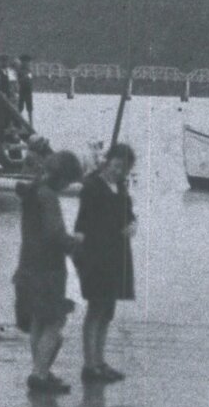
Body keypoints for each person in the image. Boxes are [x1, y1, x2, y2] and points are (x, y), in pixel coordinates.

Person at [14, 150, 85, 394]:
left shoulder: (32, 193)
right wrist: (76, 242)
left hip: (27, 265)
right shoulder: (48, 197)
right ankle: (40, 374)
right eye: (68, 181)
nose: (67, 186)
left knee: (37, 322)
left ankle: (40, 369)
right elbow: (55, 235)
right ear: (61, 178)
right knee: (54, 324)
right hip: (48, 270)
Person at [74, 144, 137, 384]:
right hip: (96, 255)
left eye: (124, 167)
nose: (119, 170)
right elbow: (82, 224)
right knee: (95, 309)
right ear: (108, 161)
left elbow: (128, 213)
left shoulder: (120, 186)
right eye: (117, 165)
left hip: (117, 254)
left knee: (107, 311)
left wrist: (133, 224)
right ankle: (89, 365)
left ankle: (99, 361)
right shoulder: (92, 187)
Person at [17, 55, 35, 119]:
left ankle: (30, 123)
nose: (26, 63)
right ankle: (18, 122)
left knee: (29, 108)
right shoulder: (19, 70)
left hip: (28, 90)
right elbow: (18, 80)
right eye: (24, 62)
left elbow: (30, 79)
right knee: (20, 107)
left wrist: (27, 77)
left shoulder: (29, 70)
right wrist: (24, 78)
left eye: (27, 62)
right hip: (22, 90)